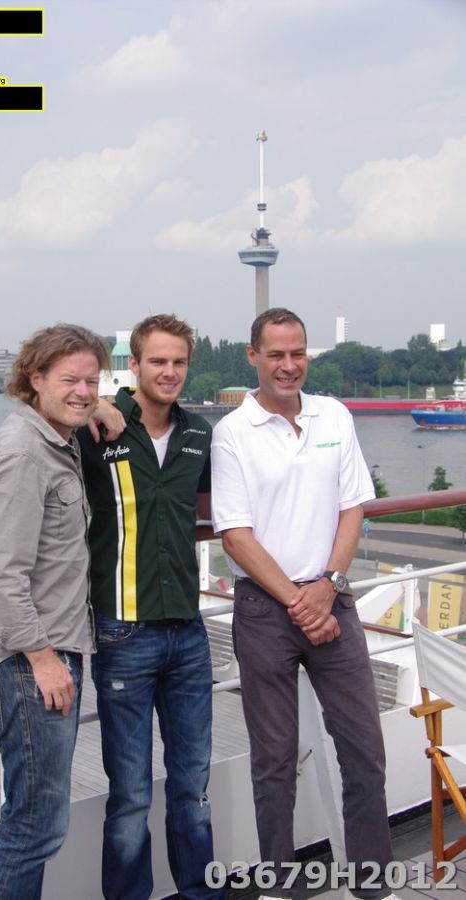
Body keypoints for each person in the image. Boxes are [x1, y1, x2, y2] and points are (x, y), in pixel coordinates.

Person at [211, 308, 397, 900]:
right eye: (276, 355)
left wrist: (328, 584)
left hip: (331, 600)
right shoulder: (232, 432)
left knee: (364, 752)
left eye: (298, 354)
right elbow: (234, 534)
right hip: (266, 612)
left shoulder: (333, 415)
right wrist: (300, 601)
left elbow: (353, 507)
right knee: (274, 761)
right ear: (253, 357)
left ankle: (373, 883)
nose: (288, 366)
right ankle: (278, 886)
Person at [78, 313, 225, 900]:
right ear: (134, 365)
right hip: (123, 632)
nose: (169, 372)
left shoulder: (199, 434)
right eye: (157, 361)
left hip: (188, 633)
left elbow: (215, 509)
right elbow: (39, 426)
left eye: (179, 362)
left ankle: (200, 892)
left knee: (192, 785)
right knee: (131, 794)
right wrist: (92, 406)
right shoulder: (97, 427)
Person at [0, 323, 111, 900]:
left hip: (39, 657)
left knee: (35, 821)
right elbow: (1, 574)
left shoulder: (53, 438)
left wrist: (100, 410)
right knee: (34, 827)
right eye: (70, 380)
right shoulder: (24, 452)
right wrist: (44, 659)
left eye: (92, 381)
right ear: (36, 378)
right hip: (24, 664)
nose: (83, 391)